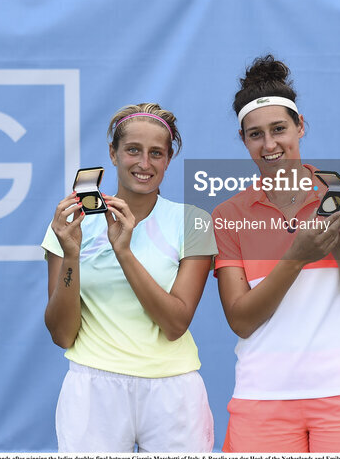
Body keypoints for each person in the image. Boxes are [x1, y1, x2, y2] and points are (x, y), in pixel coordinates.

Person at [212, 55, 340, 452]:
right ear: (244, 141)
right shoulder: (229, 215)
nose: (269, 144)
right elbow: (241, 320)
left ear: (300, 126)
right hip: (261, 399)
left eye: (279, 129)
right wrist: (297, 257)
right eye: (255, 134)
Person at [41, 103, 215, 452]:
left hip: (173, 390)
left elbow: (175, 322)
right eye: (133, 150)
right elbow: (62, 334)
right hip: (92, 388)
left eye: (157, 153)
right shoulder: (70, 226)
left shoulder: (194, 220)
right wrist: (71, 254)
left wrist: (124, 252)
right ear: (113, 153)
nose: (144, 164)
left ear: (168, 160)